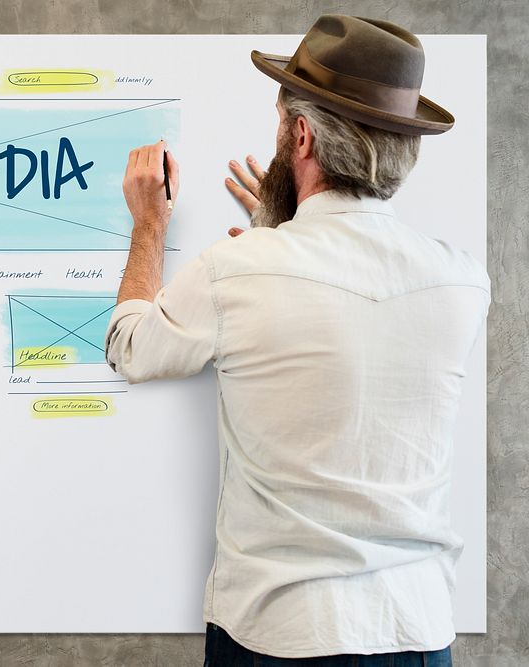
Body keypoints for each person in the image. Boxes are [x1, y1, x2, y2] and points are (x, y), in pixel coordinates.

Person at [105, 15, 490, 665]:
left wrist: (149, 225)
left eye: (280, 122)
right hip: (417, 635)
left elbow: (131, 345)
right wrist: (282, 231)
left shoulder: (239, 269)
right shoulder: (462, 281)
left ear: (301, 136)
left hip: (280, 638)